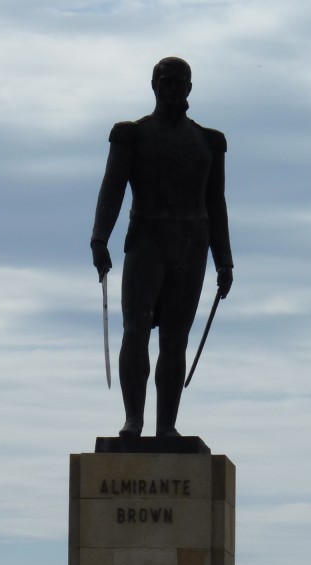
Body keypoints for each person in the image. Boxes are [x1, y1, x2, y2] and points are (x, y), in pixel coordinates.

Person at [91, 56, 233, 438]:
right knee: (135, 329)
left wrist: (224, 260)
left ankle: (166, 426)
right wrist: (99, 238)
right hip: (147, 241)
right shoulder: (132, 136)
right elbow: (112, 188)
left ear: (189, 88)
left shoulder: (208, 142)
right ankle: (133, 420)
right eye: (165, 82)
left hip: (191, 244)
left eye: (179, 83)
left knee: (175, 337)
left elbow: (215, 203)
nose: (172, 89)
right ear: (154, 86)